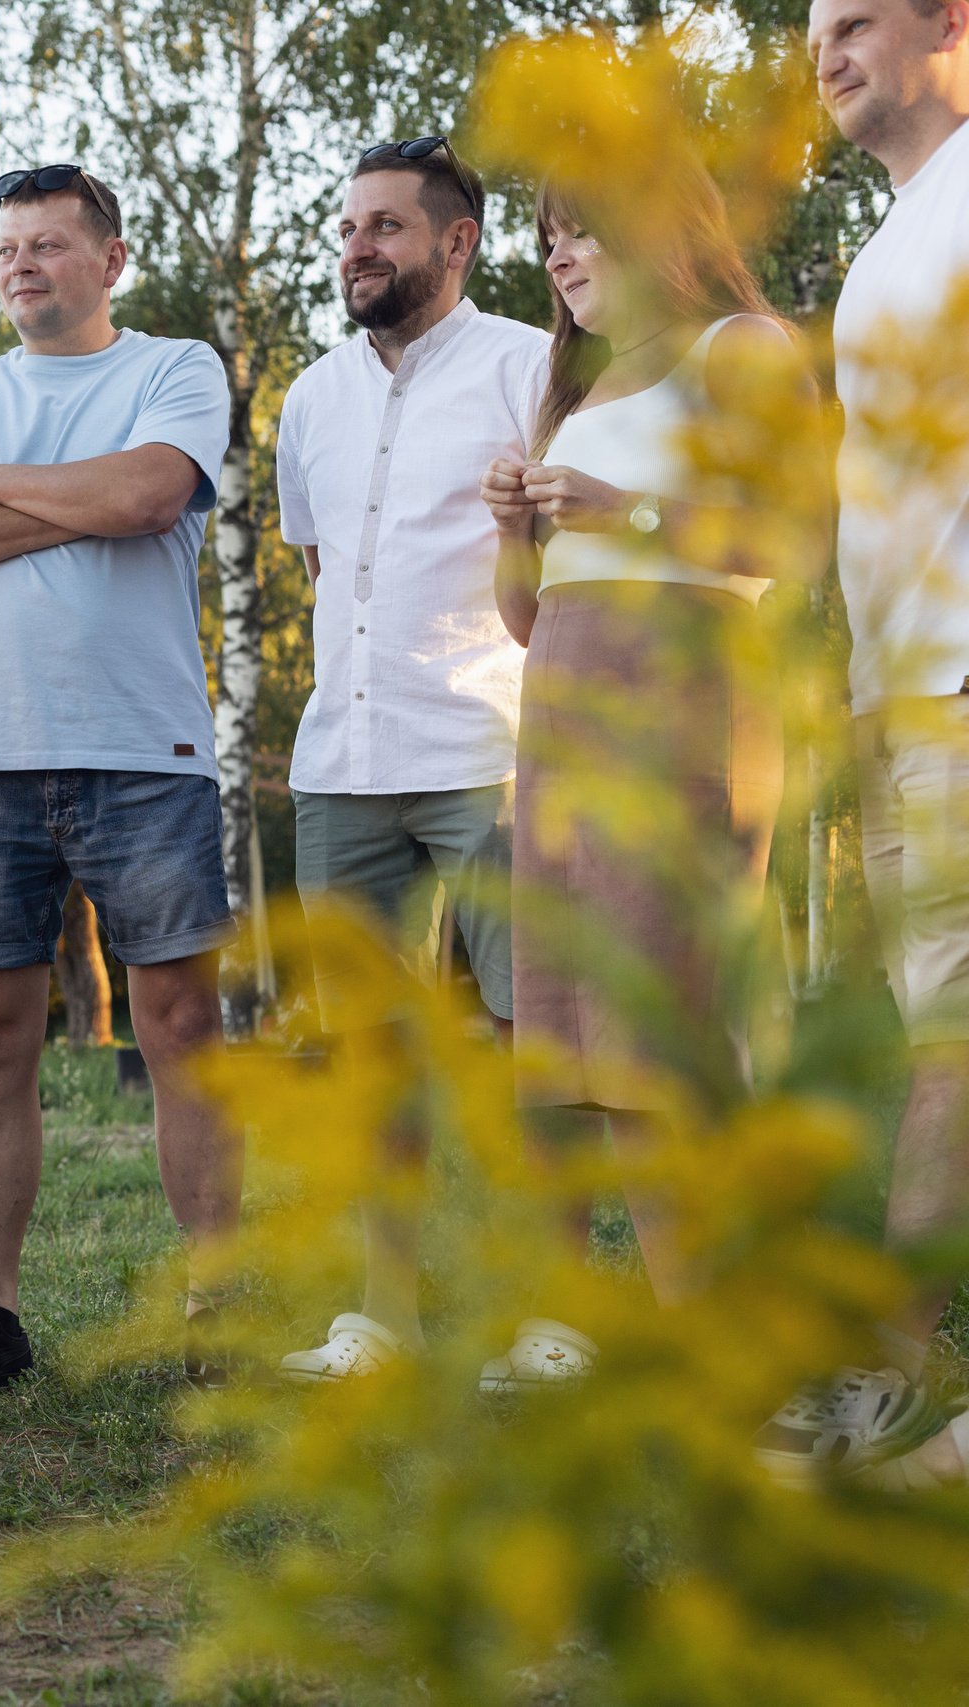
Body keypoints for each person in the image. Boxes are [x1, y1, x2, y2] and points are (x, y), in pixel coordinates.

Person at [0, 164, 238, 1404]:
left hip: (145, 749)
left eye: (46, 245)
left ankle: (215, 1301)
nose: (20, 265)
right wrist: (82, 507)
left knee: (183, 1030)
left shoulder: (176, 368)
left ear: (110, 261)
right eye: (6, 250)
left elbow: (151, 495)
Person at [480, 164, 824, 1379]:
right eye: (551, 240)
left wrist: (628, 513)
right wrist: (513, 530)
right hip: (564, 708)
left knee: (665, 1030)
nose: (562, 260)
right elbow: (523, 619)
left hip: (681, 704)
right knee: (587, 1042)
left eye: (586, 233)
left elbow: (798, 539)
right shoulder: (565, 392)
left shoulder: (739, 346)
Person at [272, 140, 548, 1384]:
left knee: (524, 1040)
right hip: (344, 763)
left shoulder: (529, 368)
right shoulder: (310, 396)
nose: (357, 248)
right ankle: (384, 1318)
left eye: (385, 225)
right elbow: (325, 571)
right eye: (348, 227)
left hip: (488, 748)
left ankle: (544, 1317)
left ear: (456, 241)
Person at [758, 0, 969, 1490]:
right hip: (902, 698)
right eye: (814, 31)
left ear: (952, 22)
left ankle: (890, 1378)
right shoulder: (899, 232)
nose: (824, 52)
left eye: (856, 23)